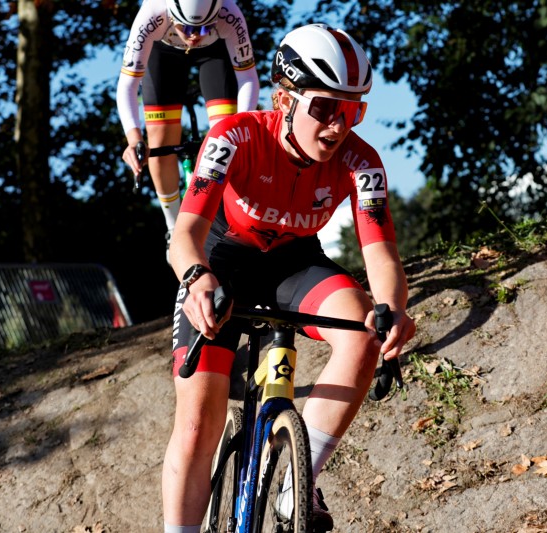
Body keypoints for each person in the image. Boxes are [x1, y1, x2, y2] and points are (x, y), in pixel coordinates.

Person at [164, 23, 417, 533]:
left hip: (293, 263)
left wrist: (391, 309)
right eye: (325, 108)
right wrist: (195, 278)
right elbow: (184, 234)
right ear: (284, 99)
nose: (337, 125)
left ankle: (293, 491)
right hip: (222, 261)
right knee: (196, 425)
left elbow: (381, 256)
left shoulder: (361, 162)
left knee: (364, 332)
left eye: (353, 112)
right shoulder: (232, 136)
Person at [116, 0, 259, 263]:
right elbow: (127, 85)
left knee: (227, 137)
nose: (194, 37)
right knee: (158, 140)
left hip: (216, 54)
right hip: (163, 52)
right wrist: (133, 138)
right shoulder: (152, 14)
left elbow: (248, 78)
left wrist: (241, 126)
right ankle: (173, 225)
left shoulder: (229, 14)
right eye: (187, 28)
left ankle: (227, 218)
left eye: (203, 28)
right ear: (172, 15)